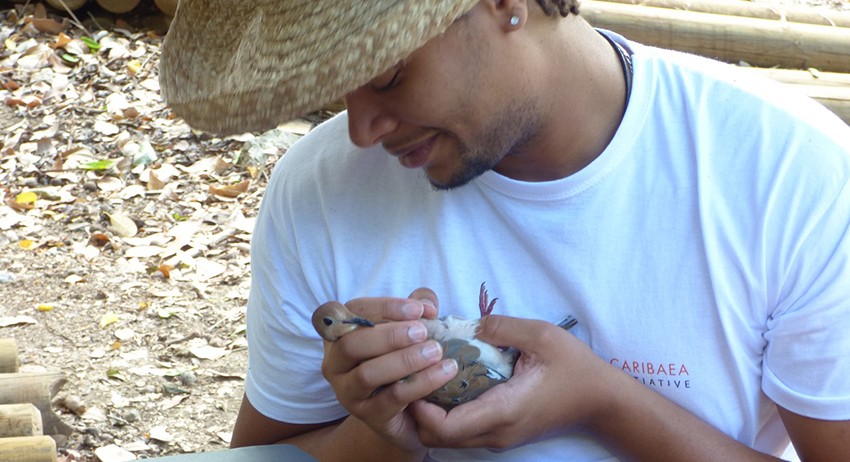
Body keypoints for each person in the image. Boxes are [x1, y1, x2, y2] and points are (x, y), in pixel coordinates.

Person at [159, 0, 850, 460]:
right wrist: (385, 429)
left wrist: (605, 402)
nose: (362, 130)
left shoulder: (787, 172)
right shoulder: (322, 187)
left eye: (390, 76)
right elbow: (270, 452)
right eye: (336, 89)